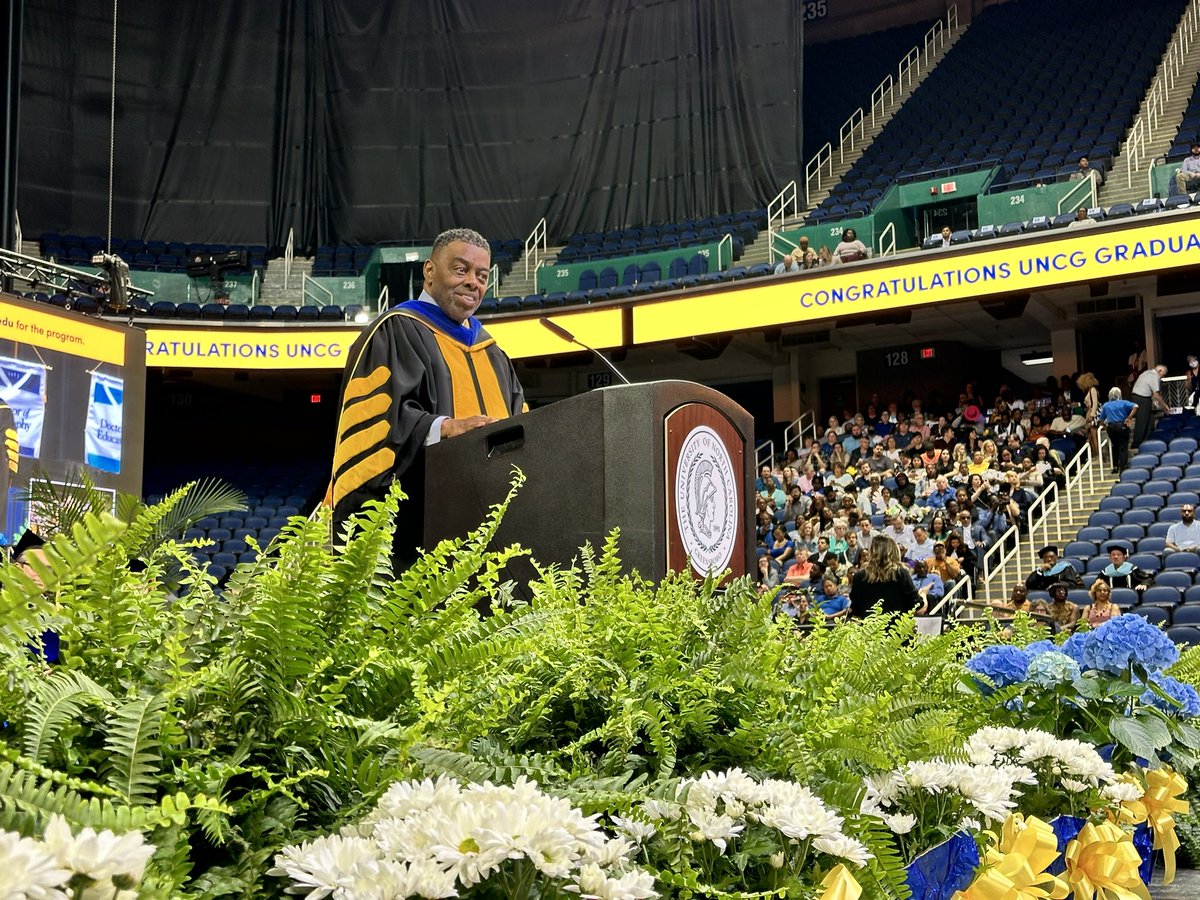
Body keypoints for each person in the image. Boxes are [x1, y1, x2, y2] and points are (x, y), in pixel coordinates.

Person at [327, 228, 526, 562]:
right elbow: (381, 425)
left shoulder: (495, 355)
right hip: (414, 535)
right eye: (460, 270)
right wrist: (443, 428)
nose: (472, 283)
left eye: (481, 275)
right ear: (429, 271)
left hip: (489, 534)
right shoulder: (394, 331)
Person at [849, 534, 926, 618]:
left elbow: (855, 609)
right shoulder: (901, 573)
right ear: (894, 551)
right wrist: (923, 594)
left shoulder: (859, 576)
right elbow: (917, 604)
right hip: (897, 628)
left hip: (870, 628)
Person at [1098, 387, 1137, 473]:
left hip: (1111, 428)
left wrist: (1105, 426)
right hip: (1121, 426)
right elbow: (1135, 406)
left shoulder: (1106, 405)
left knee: (1115, 446)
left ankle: (1115, 466)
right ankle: (1123, 467)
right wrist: (1129, 418)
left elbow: (1101, 420)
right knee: (1123, 447)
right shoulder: (1123, 403)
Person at [1130, 363, 1170, 449]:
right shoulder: (1154, 376)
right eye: (1163, 375)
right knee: (1142, 421)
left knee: (1150, 420)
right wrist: (1165, 406)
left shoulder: (1147, 373)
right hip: (1141, 398)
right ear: (1159, 371)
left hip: (1141, 398)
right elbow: (1156, 394)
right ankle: (1136, 444)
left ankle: (1147, 441)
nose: (1162, 377)